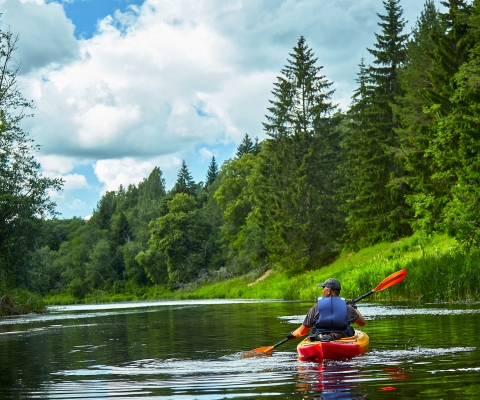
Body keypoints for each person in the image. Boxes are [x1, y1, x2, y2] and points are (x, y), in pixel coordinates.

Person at [286, 278, 365, 342]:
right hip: (341, 337)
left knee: (313, 333)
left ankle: (325, 337)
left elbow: (302, 331)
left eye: (323, 288)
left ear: (328, 291)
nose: (322, 291)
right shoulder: (347, 308)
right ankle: (331, 337)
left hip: (319, 337)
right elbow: (361, 323)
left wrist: (293, 334)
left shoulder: (315, 308)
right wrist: (354, 308)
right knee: (350, 330)